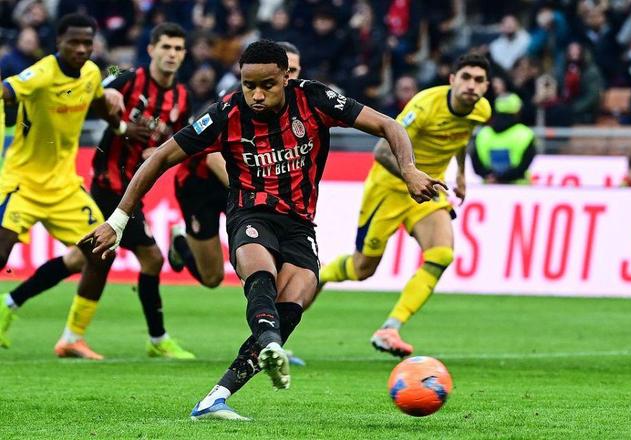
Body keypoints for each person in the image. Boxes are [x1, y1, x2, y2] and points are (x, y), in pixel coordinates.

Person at [82, 39, 441, 420]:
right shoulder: (226, 113)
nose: (255, 94)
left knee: (293, 305)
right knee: (261, 276)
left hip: (299, 224)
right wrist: (117, 220)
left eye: (266, 85)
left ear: (286, 77)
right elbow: (160, 158)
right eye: (248, 84)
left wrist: (409, 170)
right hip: (250, 214)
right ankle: (271, 344)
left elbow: (388, 125)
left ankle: (215, 397)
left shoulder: (314, 99)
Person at [0, 22, 196, 359]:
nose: (172, 54)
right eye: (166, 47)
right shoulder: (119, 77)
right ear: (151, 49)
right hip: (84, 184)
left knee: (91, 254)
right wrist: (110, 89)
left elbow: (96, 93)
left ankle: (37, 318)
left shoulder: (177, 96)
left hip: (71, 186)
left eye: (178, 49)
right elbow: (13, 90)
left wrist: (123, 126)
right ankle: (157, 338)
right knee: (148, 257)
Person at [318, 53, 491, 358]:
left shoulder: (481, 110)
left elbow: (462, 136)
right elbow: (382, 151)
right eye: (466, 77)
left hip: (429, 190)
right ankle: (321, 275)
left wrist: (461, 174)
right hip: (389, 188)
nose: (471, 85)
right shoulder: (424, 106)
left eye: (479, 80)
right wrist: (412, 177)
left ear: (486, 86)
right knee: (362, 269)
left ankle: (390, 328)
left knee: (441, 254)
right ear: (452, 80)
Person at [0, 14, 124, 356]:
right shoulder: (42, 72)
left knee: (102, 252)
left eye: (87, 43)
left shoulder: (92, 73)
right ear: (59, 43)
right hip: (22, 183)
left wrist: (119, 124)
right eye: (74, 42)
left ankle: (72, 338)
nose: (81, 49)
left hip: (64, 186)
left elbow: (97, 101)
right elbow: (8, 90)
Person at [168, 41, 303, 290]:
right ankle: (180, 244)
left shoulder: (299, 103)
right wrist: (255, 190)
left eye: (294, 71)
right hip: (201, 184)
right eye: (287, 71)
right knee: (212, 278)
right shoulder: (241, 96)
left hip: (241, 183)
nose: (290, 77)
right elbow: (213, 157)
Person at [471, 93, 535, 184]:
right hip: (518, 189)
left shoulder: (483, 134)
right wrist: (501, 177)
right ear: (518, 111)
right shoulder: (525, 134)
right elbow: (524, 165)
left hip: (489, 188)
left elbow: (476, 165)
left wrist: (491, 176)